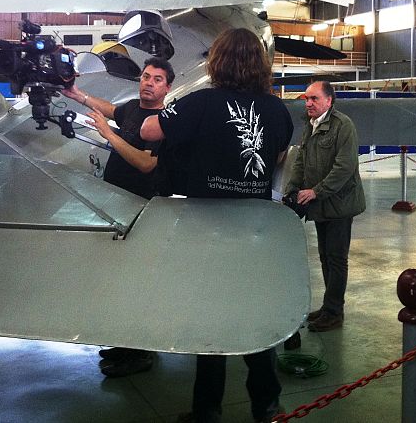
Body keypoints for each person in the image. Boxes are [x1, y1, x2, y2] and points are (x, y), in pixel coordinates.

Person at [141, 27, 293, 423]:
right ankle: (267, 406)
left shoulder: (200, 102)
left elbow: (148, 130)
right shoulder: (277, 109)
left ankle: (207, 410)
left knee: (209, 320)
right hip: (255, 232)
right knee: (256, 319)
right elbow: (279, 155)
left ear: (217, 62)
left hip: (206, 232)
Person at [61, 56, 174, 376]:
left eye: (157, 80)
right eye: (146, 76)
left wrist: (107, 135)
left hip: (140, 208)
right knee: (118, 280)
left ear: (168, 87)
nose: (149, 83)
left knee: (138, 282)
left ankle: (141, 352)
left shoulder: (163, 121)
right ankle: (125, 343)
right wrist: (79, 95)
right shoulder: (134, 108)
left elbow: (146, 164)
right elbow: (112, 110)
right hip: (116, 204)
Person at [285, 80, 365, 333]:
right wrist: (292, 188)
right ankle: (328, 306)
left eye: (314, 98)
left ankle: (334, 312)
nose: (308, 103)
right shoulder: (311, 125)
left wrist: (316, 191)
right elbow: (301, 160)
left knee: (337, 259)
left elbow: (345, 167)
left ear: (329, 101)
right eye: (306, 99)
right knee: (325, 257)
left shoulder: (343, 126)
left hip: (340, 205)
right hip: (320, 205)